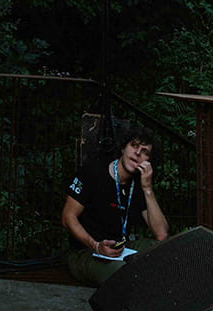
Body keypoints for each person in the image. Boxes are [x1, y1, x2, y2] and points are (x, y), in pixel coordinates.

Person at [62, 119, 169, 287]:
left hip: (120, 249)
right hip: (86, 251)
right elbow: (68, 217)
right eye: (134, 145)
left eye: (145, 152)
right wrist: (96, 246)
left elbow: (161, 235)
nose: (137, 153)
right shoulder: (93, 171)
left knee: (164, 251)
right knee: (123, 274)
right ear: (123, 148)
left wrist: (147, 188)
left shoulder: (139, 184)